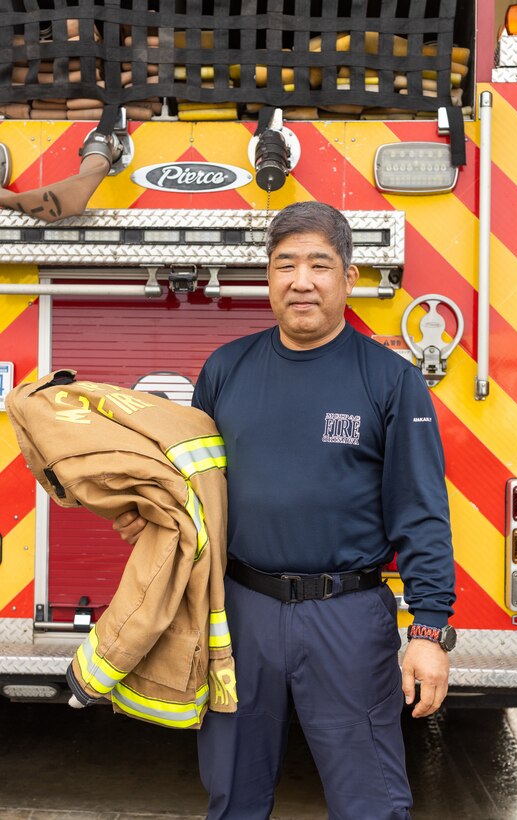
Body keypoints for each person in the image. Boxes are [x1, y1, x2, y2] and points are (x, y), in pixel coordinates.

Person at [114, 201, 456, 820]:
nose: (302, 280)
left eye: (320, 265)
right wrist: (149, 514)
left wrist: (429, 633)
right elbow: (195, 489)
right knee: (233, 793)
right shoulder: (225, 369)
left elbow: (423, 513)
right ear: (267, 279)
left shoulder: (390, 379)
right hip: (240, 615)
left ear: (348, 279)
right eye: (285, 264)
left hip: (348, 618)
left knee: (371, 801)